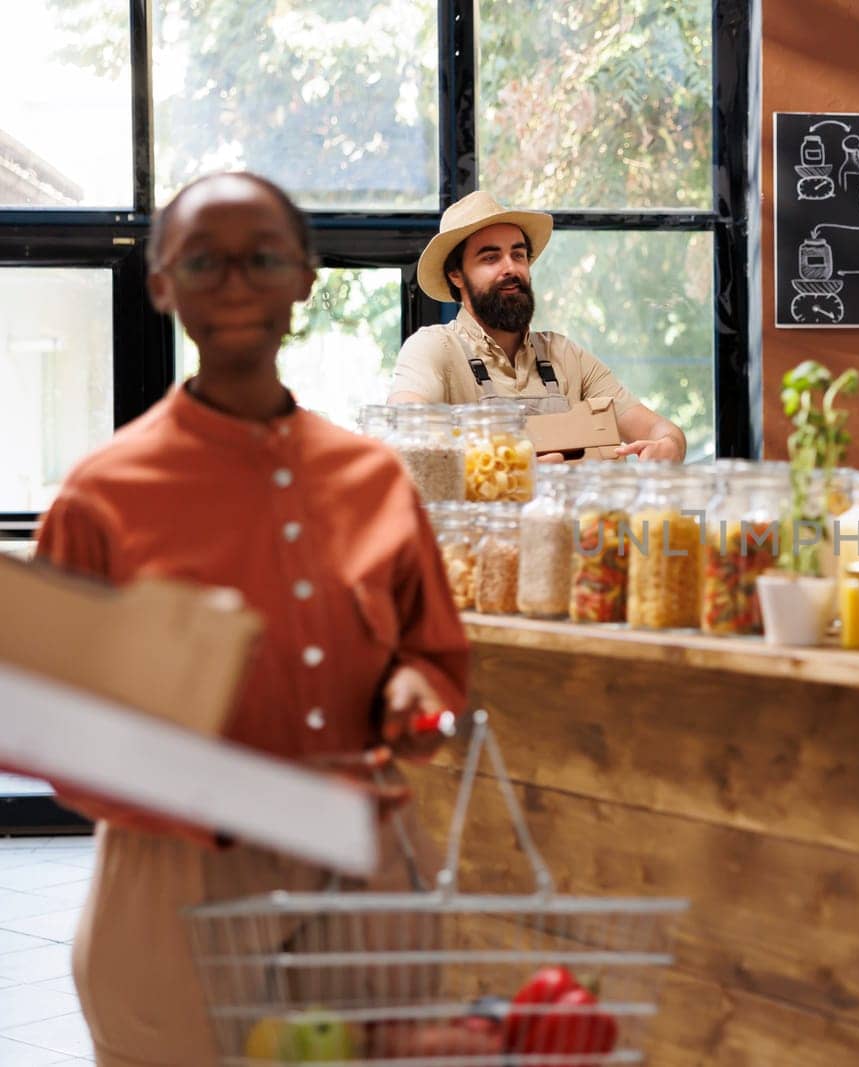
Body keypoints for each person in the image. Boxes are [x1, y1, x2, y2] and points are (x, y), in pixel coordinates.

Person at [35, 171, 469, 1066]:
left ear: (305, 276)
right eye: (203, 261)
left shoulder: (377, 480)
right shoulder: (100, 495)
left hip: (368, 874)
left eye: (262, 258)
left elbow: (435, 661)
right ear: (161, 284)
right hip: (171, 890)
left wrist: (417, 688)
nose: (235, 283)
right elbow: (47, 727)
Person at [389, 190, 687, 462]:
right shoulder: (434, 348)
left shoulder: (566, 356)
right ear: (456, 275)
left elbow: (659, 429)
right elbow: (407, 437)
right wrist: (509, 472)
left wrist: (668, 445)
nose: (511, 268)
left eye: (518, 255)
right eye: (491, 257)